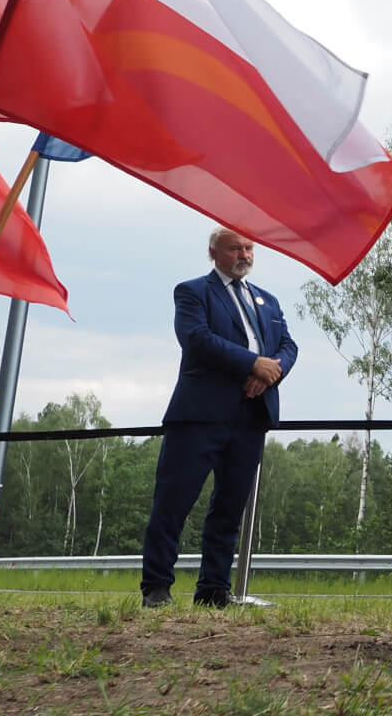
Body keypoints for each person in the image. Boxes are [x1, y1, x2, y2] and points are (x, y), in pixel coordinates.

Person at [140, 228, 297, 609]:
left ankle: (213, 589)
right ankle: (157, 587)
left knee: (229, 508)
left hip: (250, 416)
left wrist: (270, 371)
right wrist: (251, 363)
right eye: (234, 248)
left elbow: (288, 346)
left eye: (248, 248)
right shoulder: (193, 292)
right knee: (173, 503)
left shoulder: (268, 300)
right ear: (213, 252)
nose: (243, 254)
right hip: (199, 416)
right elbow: (196, 338)